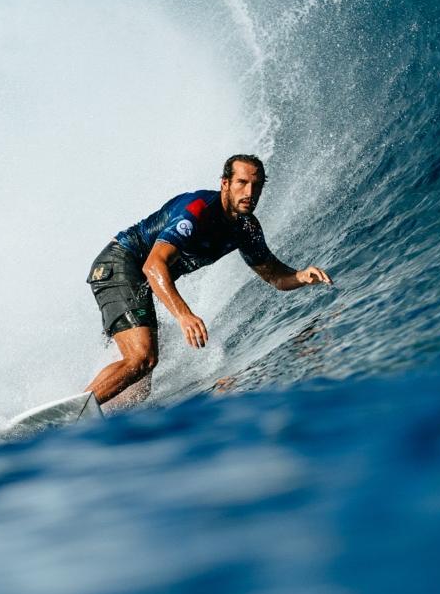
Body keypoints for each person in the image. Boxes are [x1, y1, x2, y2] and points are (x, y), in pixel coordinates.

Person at [85, 154, 332, 407]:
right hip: (119, 263)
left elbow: (275, 277)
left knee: (140, 384)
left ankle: (95, 416)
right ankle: (75, 414)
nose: (250, 192)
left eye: (256, 186)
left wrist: (300, 276)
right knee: (142, 358)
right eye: (242, 183)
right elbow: (153, 265)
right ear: (225, 183)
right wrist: (184, 315)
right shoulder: (198, 210)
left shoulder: (246, 228)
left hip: (138, 282)